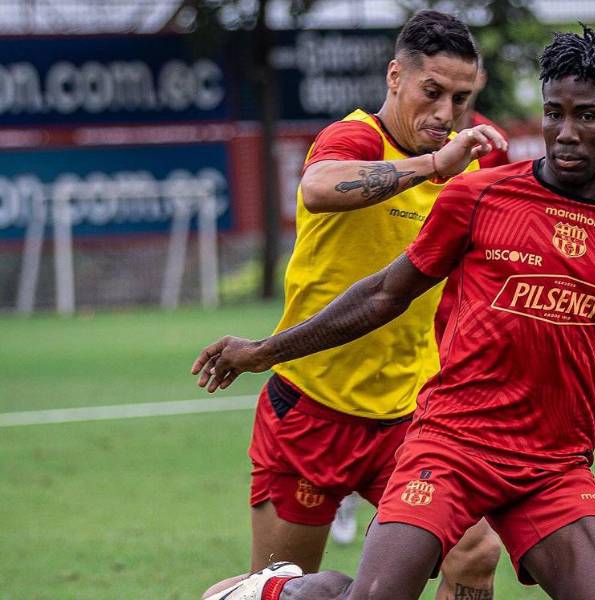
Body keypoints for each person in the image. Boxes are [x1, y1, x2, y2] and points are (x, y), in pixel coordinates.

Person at [193, 26, 595, 600]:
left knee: (541, 574)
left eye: (585, 116)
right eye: (553, 114)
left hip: (540, 460)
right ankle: (276, 592)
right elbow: (383, 285)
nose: (564, 133)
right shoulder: (462, 187)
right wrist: (264, 350)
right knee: (362, 590)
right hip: (412, 433)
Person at [199, 10, 506, 600]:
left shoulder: (474, 152)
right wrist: (428, 166)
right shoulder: (358, 135)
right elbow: (317, 187)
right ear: (396, 77)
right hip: (310, 409)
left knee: (475, 549)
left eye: (460, 98)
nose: (445, 114)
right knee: (285, 586)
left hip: (407, 416)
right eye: (432, 93)